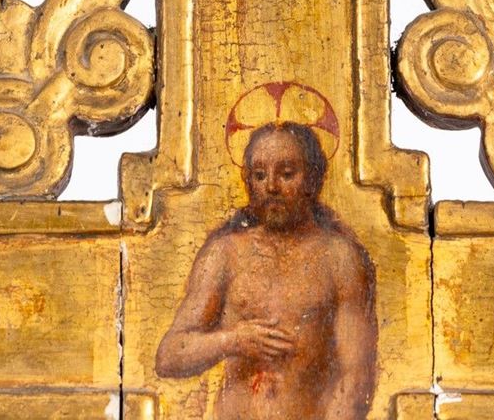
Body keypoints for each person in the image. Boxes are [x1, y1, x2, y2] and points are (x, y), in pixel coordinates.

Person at [155, 122, 378, 420]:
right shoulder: (224, 254)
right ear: (249, 182)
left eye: (286, 174)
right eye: (260, 175)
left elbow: (356, 378)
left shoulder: (340, 258)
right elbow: (169, 356)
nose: (271, 186)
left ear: (312, 179)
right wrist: (234, 340)